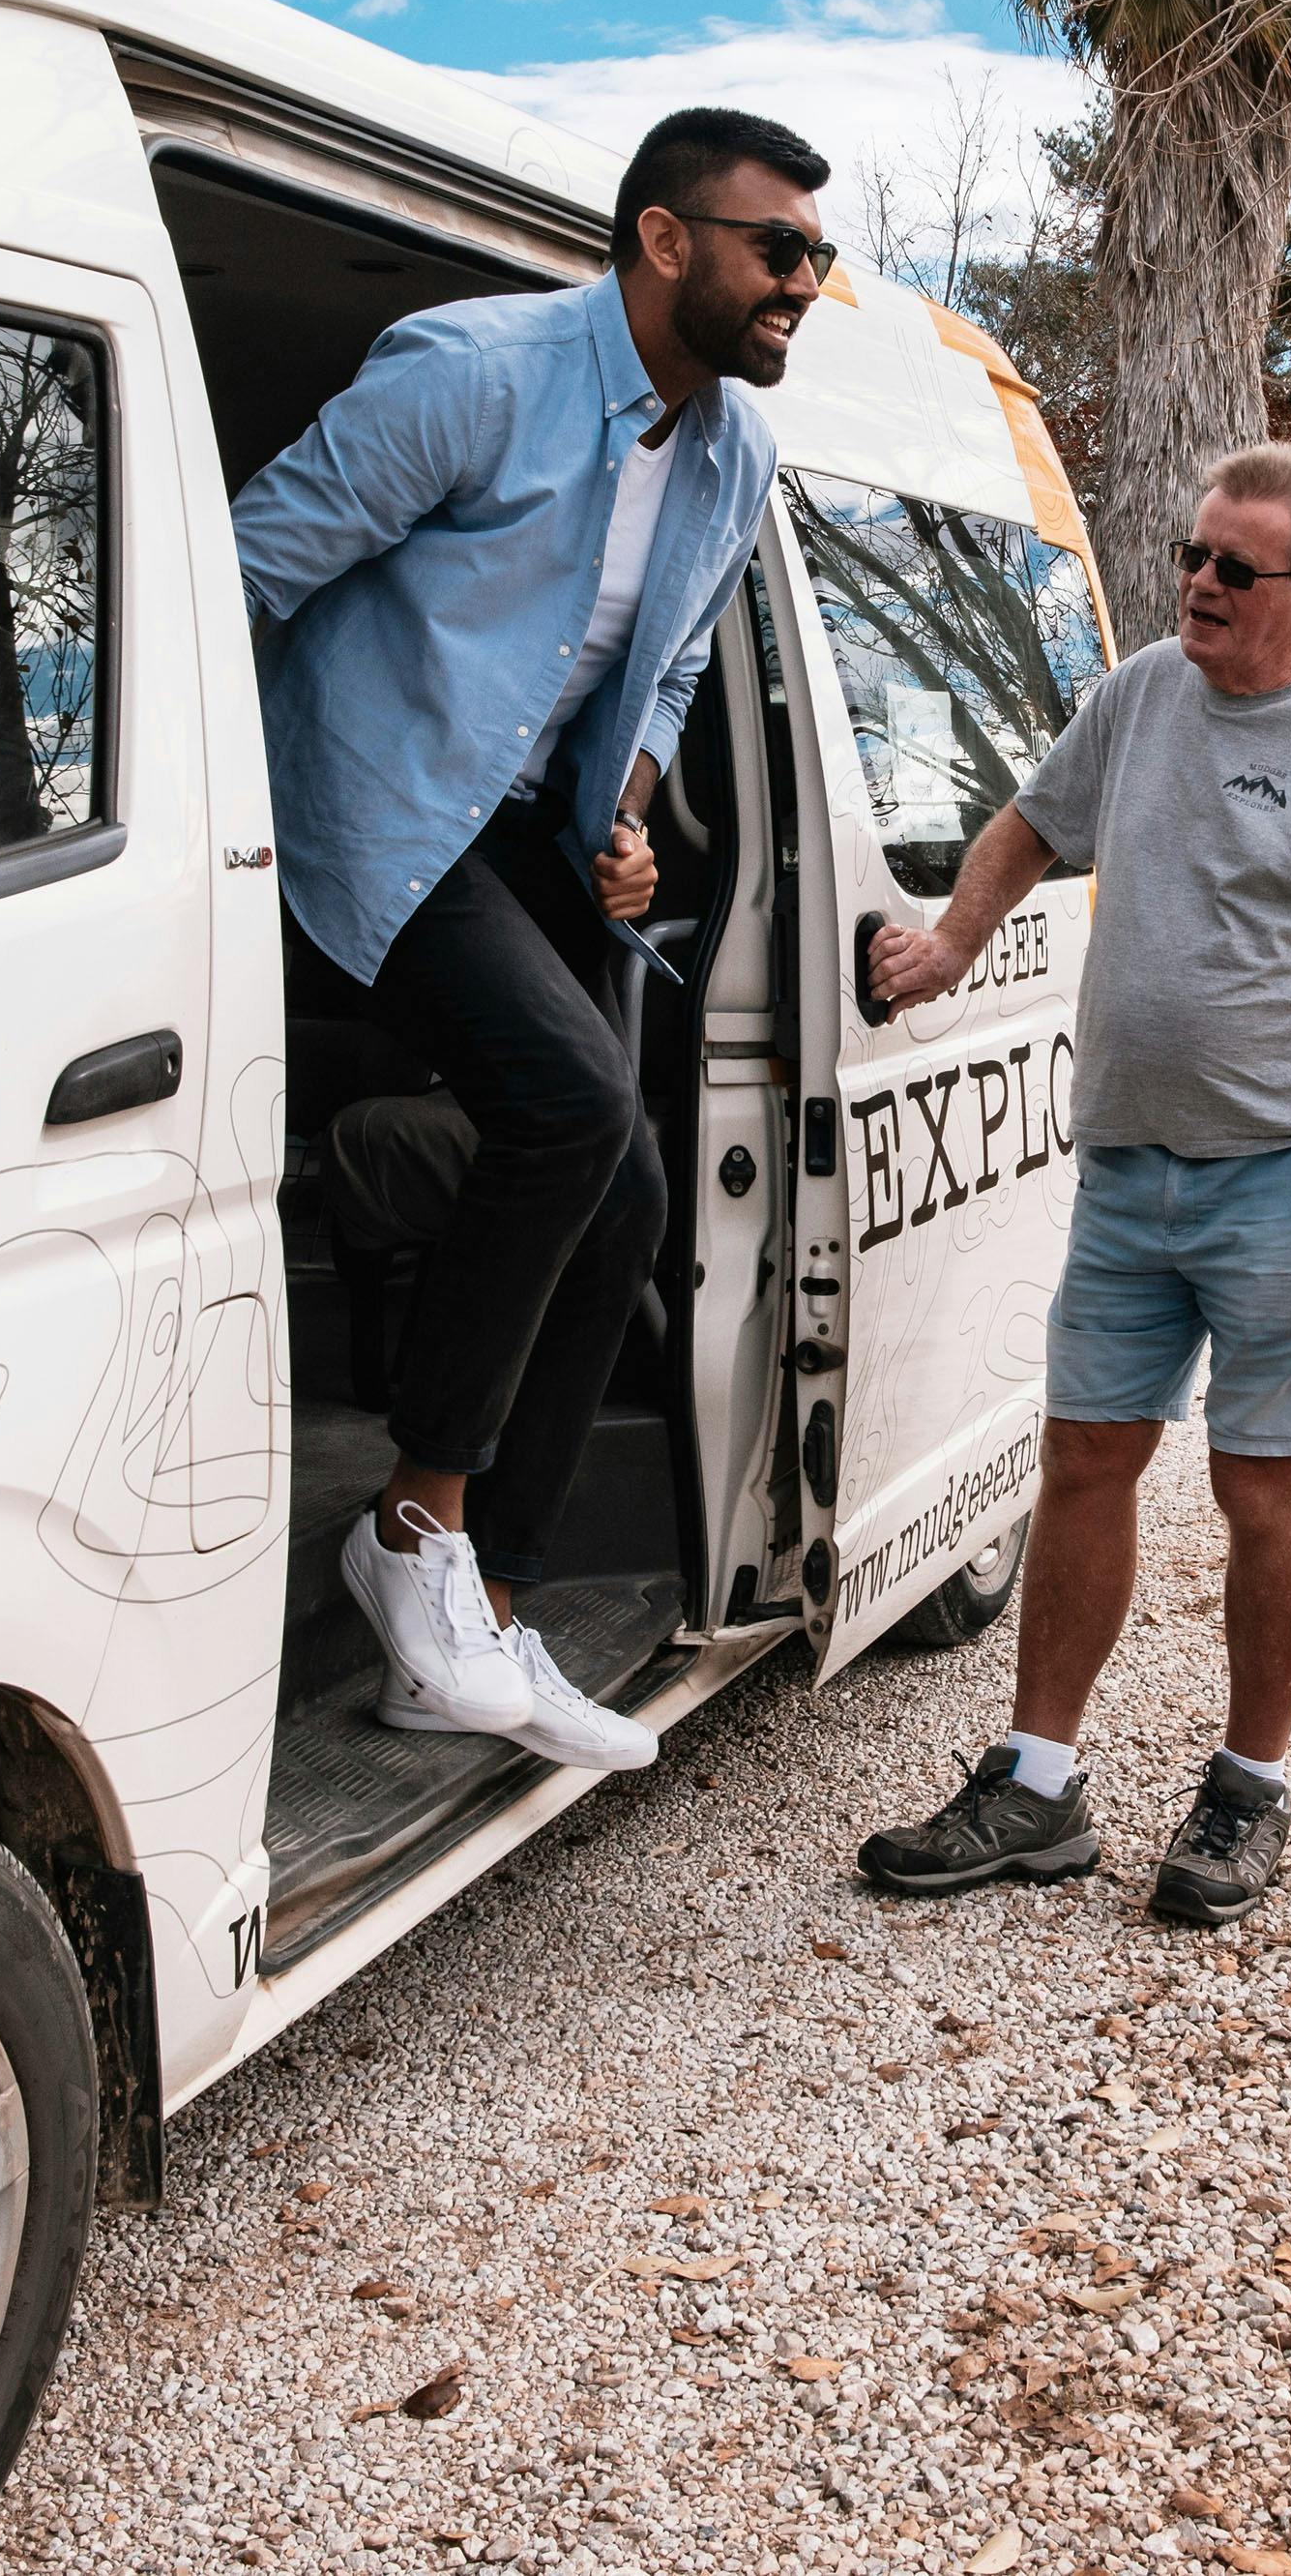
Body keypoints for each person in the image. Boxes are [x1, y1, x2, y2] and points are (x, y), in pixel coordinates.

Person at [236, 105, 835, 1774]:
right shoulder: (478, 374)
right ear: (663, 241)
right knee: (573, 1109)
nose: (803, 282)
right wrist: (198, 833)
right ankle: (411, 1535)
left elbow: (676, 673)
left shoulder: (734, 455)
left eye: (819, 257)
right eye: (775, 248)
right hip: (359, 805)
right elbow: (243, 569)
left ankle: (483, 1617)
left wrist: (626, 814)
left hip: (515, 834)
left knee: (630, 1190)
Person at [849, 443, 1291, 1926]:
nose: (1201, 586)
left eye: (1235, 569)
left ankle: (1246, 1796)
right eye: (1194, 558)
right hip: (1131, 1178)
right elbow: (1029, 822)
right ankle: (1035, 1784)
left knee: (1263, 1490)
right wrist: (951, 943)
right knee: (1084, 1464)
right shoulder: (1143, 692)